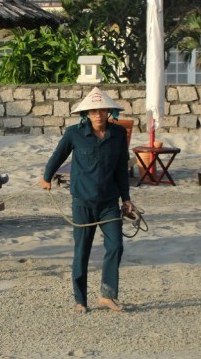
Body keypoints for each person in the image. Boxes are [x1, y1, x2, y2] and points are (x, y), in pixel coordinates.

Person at [39, 87, 134, 313]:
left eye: (101, 110)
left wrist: (126, 198)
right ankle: (80, 300)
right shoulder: (74, 134)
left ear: (109, 112)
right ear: (86, 114)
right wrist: (46, 177)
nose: (98, 115)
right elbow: (57, 156)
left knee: (116, 246)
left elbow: (121, 168)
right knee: (82, 250)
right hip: (82, 202)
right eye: (93, 111)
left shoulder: (118, 135)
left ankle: (107, 295)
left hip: (110, 203)